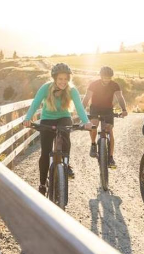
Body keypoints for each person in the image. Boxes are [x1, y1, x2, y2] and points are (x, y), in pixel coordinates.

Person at [23, 63, 93, 195]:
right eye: (60, 79)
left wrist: (86, 122)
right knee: (45, 152)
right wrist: (28, 118)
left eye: (66, 79)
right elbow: (35, 103)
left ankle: (66, 163)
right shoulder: (45, 88)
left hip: (63, 117)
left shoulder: (72, 90)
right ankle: (42, 183)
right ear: (55, 78)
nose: (63, 82)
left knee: (65, 136)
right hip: (47, 119)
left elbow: (79, 107)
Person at [82, 66, 128, 169]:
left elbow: (120, 97)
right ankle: (93, 144)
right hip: (95, 108)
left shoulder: (115, 85)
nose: (107, 79)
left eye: (109, 77)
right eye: (105, 77)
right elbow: (87, 97)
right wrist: (82, 111)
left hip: (108, 109)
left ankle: (111, 157)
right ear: (101, 76)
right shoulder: (94, 84)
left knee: (109, 130)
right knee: (93, 125)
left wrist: (124, 109)